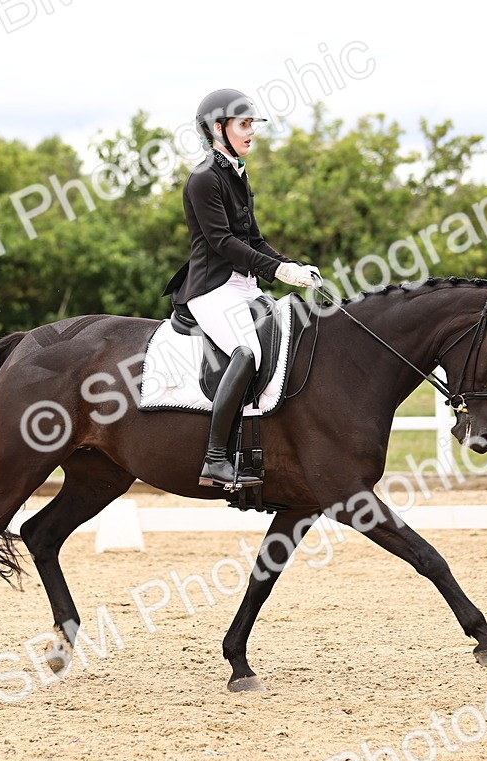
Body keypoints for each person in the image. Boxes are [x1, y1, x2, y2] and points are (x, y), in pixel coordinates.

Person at [164, 88, 321, 489]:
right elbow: (224, 243)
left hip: (243, 284)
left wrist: (290, 265)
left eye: (252, 124)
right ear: (218, 128)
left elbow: (253, 238)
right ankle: (215, 458)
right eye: (244, 124)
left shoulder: (238, 173)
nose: (252, 132)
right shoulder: (203, 179)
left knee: (289, 336)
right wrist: (278, 272)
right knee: (246, 351)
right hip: (210, 288)